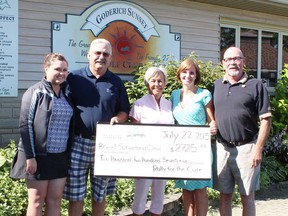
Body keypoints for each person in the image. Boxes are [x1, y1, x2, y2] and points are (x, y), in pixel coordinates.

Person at [63, 38, 130, 216]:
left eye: (106, 54)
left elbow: (124, 110)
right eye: (98, 53)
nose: (101, 57)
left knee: (99, 195)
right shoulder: (74, 78)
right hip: (78, 142)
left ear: (110, 58)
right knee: (76, 195)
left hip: (105, 145)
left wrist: (118, 118)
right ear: (89, 55)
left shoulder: (116, 82)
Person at [10, 53, 74, 216]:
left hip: (59, 157)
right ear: (46, 68)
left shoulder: (66, 94)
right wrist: (30, 156)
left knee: (55, 200)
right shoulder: (35, 92)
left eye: (65, 70)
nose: (62, 73)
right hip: (38, 157)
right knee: (37, 201)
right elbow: (25, 125)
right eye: (57, 69)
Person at [212, 46, 272, 216]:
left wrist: (258, 149)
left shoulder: (256, 85)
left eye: (237, 58)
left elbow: (266, 120)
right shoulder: (216, 86)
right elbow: (211, 115)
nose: (233, 62)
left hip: (247, 149)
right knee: (224, 196)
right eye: (228, 59)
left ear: (243, 61)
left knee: (247, 197)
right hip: (222, 149)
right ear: (223, 63)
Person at [170, 58, 217, 216]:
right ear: (179, 74)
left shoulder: (204, 94)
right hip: (181, 150)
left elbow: (212, 121)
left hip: (199, 150)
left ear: (196, 76)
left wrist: (212, 128)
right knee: (186, 190)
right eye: (184, 72)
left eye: (192, 72)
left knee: (200, 190)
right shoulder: (174, 95)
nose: (188, 75)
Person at [130, 66, 174, 216]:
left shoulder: (169, 104)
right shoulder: (139, 104)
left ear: (165, 83)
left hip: (163, 158)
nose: (157, 84)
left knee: (159, 197)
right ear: (147, 83)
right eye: (153, 80)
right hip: (145, 157)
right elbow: (134, 133)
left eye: (160, 81)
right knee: (140, 197)